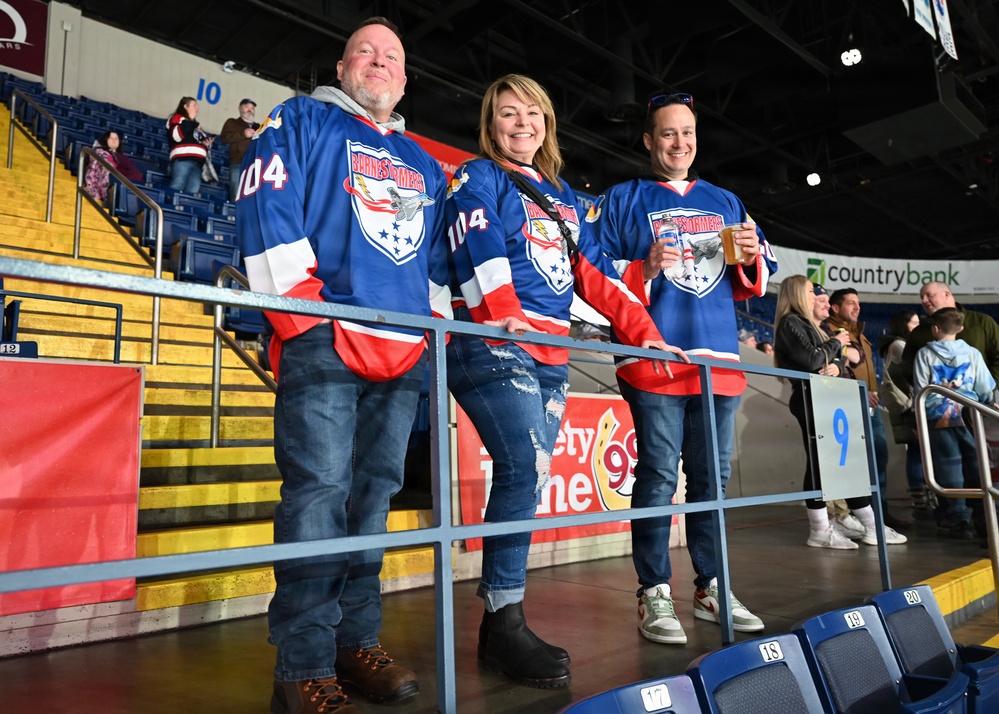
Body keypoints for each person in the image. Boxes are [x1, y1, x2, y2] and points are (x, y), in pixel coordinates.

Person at [237, 18, 450, 714]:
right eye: (366, 51)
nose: (378, 62)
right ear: (341, 65)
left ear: (405, 78)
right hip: (325, 338)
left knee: (373, 500)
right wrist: (302, 315)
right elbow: (264, 200)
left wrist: (432, 333)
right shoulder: (299, 118)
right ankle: (300, 668)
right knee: (318, 496)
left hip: (401, 349)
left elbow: (435, 263)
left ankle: (355, 642)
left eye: (392, 55)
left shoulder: (421, 161)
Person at [446, 73, 686, 686]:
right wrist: (502, 313)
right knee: (524, 470)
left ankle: (497, 624)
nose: (520, 124)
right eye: (507, 114)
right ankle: (503, 621)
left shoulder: (560, 197)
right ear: (489, 124)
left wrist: (642, 329)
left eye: (532, 112)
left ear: (547, 123)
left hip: (547, 355)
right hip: (495, 344)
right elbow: (482, 248)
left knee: (529, 479)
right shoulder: (480, 177)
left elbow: (594, 273)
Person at [588, 91, 774, 646]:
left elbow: (755, 277)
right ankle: (653, 590)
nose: (679, 142)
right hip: (656, 359)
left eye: (687, 132)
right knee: (658, 477)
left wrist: (753, 256)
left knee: (711, 482)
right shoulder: (621, 198)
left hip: (717, 359)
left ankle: (713, 583)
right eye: (667, 133)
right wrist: (642, 266)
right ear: (648, 141)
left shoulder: (726, 200)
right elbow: (590, 270)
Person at [774, 278, 899, 549]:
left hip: (826, 396)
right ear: (797, 294)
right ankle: (823, 528)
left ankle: (868, 524)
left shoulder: (808, 325)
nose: (819, 298)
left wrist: (834, 361)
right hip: (810, 397)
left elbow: (834, 360)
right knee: (823, 463)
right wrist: (834, 344)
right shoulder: (791, 322)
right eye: (811, 292)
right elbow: (813, 359)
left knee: (839, 463)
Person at [823, 287, 910, 532]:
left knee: (878, 456)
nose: (857, 307)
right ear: (835, 307)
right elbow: (833, 366)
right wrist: (859, 391)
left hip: (870, 404)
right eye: (850, 303)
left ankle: (879, 514)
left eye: (858, 303)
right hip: (848, 403)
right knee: (855, 462)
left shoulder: (859, 333)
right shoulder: (829, 331)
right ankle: (858, 517)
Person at [913, 307, 997, 538]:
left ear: (935, 328)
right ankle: (983, 514)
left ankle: (958, 518)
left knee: (948, 467)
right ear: (960, 329)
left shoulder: (924, 354)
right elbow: (985, 388)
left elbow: (921, 390)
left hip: (938, 418)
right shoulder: (973, 353)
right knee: (976, 463)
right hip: (971, 417)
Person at [878, 309, 932, 519]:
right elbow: (913, 373)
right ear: (904, 325)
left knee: (917, 452)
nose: (918, 326)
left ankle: (923, 501)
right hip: (911, 406)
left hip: (910, 405)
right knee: (918, 453)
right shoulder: (900, 345)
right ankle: (921, 504)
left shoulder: (895, 344)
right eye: (914, 322)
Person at [166, 96, 214, 194]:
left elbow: (199, 141)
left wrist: (206, 144)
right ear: (185, 106)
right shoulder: (177, 118)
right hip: (183, 158)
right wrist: (191, 123)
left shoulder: (195, 125)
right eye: (194, 105)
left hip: (198, 162)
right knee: (178, 184)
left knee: (193, 190)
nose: (197, 108)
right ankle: (166, 208)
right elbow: (176, 136)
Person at [220, 98, 260, 202]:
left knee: (253, 195)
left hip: (255, 165)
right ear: (239, 108)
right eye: (246, 107)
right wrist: (243, 134)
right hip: (238, 162)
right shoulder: (232, 122)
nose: (249, 110)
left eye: (252, 108)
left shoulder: (260, 127)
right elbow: (224, 139)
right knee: (236, 191)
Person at [83, 130, 142, 201]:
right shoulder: (98, 151)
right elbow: (88, 160)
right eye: (111, 138)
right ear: (106, 140)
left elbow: (135, 172)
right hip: (108, 177)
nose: (114, 140)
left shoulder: (124, 158)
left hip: (119, 178)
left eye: (116, 138)